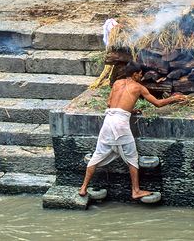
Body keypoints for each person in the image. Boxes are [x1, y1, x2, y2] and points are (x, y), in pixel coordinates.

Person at [78, 61, 186, 199]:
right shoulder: (138, 87)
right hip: (120, 124)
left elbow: (110, 103)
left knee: (97, 155)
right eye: (140, 74)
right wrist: (174, 98)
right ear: (135, 74)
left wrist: (130, 109)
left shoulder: (117, 83)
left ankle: (83, 188)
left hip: (108, 121)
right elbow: (158, 104)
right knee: (132, 158)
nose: (141, 76)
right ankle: (135, 190)